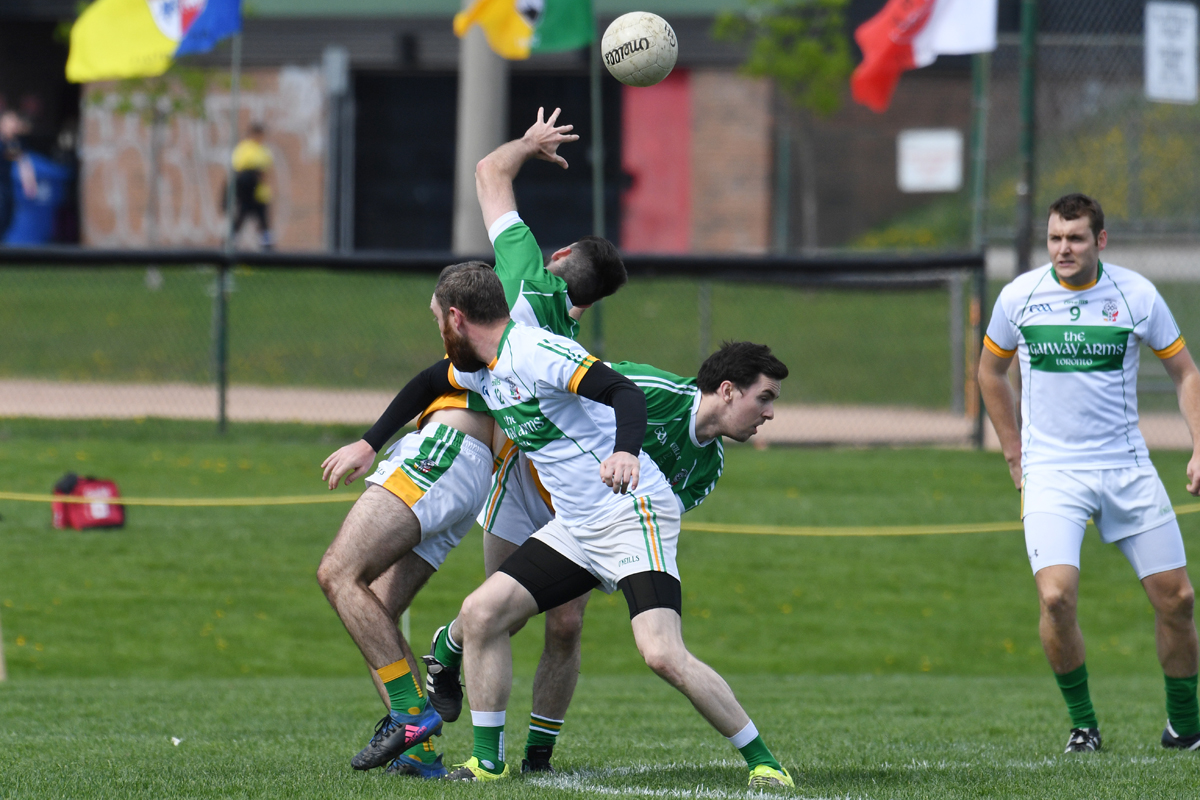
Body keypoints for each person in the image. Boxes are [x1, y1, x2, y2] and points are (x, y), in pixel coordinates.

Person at [378, 263, 794, 788]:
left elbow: (619, 395)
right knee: (481, 613)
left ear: (455, 320)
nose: (770, 414)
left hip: (631, 516)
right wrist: (369, 443)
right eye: (766, 398)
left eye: (438, 318)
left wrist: (623, 456)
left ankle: (763, 762)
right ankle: (487, 762)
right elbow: (430, 382)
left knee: (661, 653)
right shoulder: (491, 365)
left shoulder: (534, 353)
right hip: (575, 521)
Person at [317, 106, 627, 778]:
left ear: (562, 259)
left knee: (341, 577)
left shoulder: (521, 282)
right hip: (498, 472)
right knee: (403, 607)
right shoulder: (561, 342)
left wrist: (530, 143)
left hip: (452, 453)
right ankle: (424, 746)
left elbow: (489, 172)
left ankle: (416, 714)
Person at [978, 193, 1200, 754]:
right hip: (1052, 471)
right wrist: (1013, 451)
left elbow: (1185, 373)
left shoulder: (1136, 294)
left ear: (1100, 240)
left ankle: (1185, 725)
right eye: (1055, 238)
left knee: (1177, 600)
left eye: (1075, 238)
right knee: (1056, 599)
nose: (1063, 249)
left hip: (1127, 467)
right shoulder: (1019, 296)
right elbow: (990, 372)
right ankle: (1084, 726)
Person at [230, 123, 273, 249]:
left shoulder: (263, 150)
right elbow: (239, 171)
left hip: (259, 194)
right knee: (240, 220)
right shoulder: (244, 149)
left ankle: (267, 248)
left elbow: (266, 172)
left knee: (263, 222)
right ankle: (231, 245)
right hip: (247, 194)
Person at [0, 110, 37, 240]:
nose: (14, 125)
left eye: (15, 122)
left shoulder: (14, 143)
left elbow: (23, 162)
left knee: (7, 218)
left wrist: (30, 184)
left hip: (7, 187)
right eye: (10, 121)